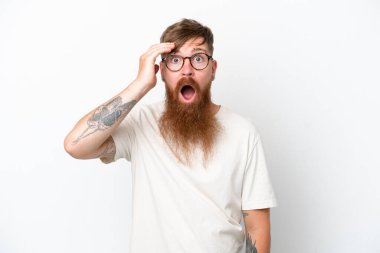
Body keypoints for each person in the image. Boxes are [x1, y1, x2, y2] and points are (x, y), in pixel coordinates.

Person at [64, 18, 277, 253]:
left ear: (213, 69)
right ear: (162, 71)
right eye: (175, 60)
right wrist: (141, 84)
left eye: (198, 58)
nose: (187, 70)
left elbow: (256, 227)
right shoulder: (140, 123)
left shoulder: (243, 132)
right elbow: (76, 145)